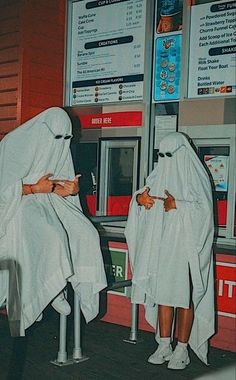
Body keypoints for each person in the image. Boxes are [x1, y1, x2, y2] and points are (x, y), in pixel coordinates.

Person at [0, 107, 107, 336]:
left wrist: (69, 189)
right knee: (52, 235)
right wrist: (33, 188)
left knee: (87, 234)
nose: (61, 143)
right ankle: (53, 288)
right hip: (19, 204)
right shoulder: (13, 144)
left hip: (49, 201)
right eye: (58, 137)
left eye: (66, 139)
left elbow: (56, 183)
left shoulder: (60, 143)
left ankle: (81, 290)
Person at [125, 132, 215, 370]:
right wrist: (139, 200)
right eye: (161, 155)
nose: (165, 160)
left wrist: (178, 205)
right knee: (164, 294)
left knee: (184, 297)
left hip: (186, 249)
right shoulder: (159, 174)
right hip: (162, 248)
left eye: (169, 155)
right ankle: (164, 344)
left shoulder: (196, 177)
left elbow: (205, 213)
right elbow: (142, 194)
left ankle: (182, 348)